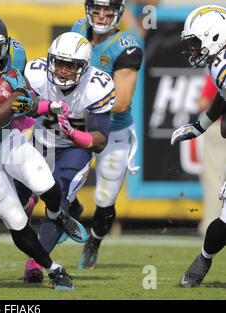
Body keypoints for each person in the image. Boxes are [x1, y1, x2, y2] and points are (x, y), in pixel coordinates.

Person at [0, 13, 86, 290]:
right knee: (17, 221)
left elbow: (28, 96)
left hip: (8, 138)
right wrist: (13, 101)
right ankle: (53, 268)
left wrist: (39, 103)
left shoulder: (15, 52)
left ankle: (58, 216)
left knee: (48, 186)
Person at [16, 32, 115, 283]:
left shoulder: (96, 86)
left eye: (71, 65)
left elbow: (100, 141)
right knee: (16, 198)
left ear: (84, 67)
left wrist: (74, 134)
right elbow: (19, 105)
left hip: (75, 150)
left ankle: (37, 263)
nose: (63, 71)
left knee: (57, 201)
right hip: (39, 143)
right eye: (59, 63)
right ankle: (61, 205)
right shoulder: (35, 74)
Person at [67, 0, 143, 269]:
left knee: (105, 197)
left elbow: (121, 101)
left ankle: (94, 241)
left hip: (113, 129)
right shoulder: (77, 30)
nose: (101, 16)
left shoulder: (126, 46)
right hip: (78, 124)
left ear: (118, 13)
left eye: (108, 11)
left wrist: (80, 104)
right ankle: (72, 207)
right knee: (58, 178)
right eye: (96, 10)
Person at [170, 5, 226, 288]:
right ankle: (202, 261)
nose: (192, 50)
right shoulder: (219, 66)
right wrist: (200, 126)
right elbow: (222, 95)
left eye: (195, 42)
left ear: (214, 36)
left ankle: (201, 263)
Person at [197, 73, 224, 236]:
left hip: (220, 127)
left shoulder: (219, 68)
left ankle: (211, 226)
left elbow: (203, 103)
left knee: (215, 179)